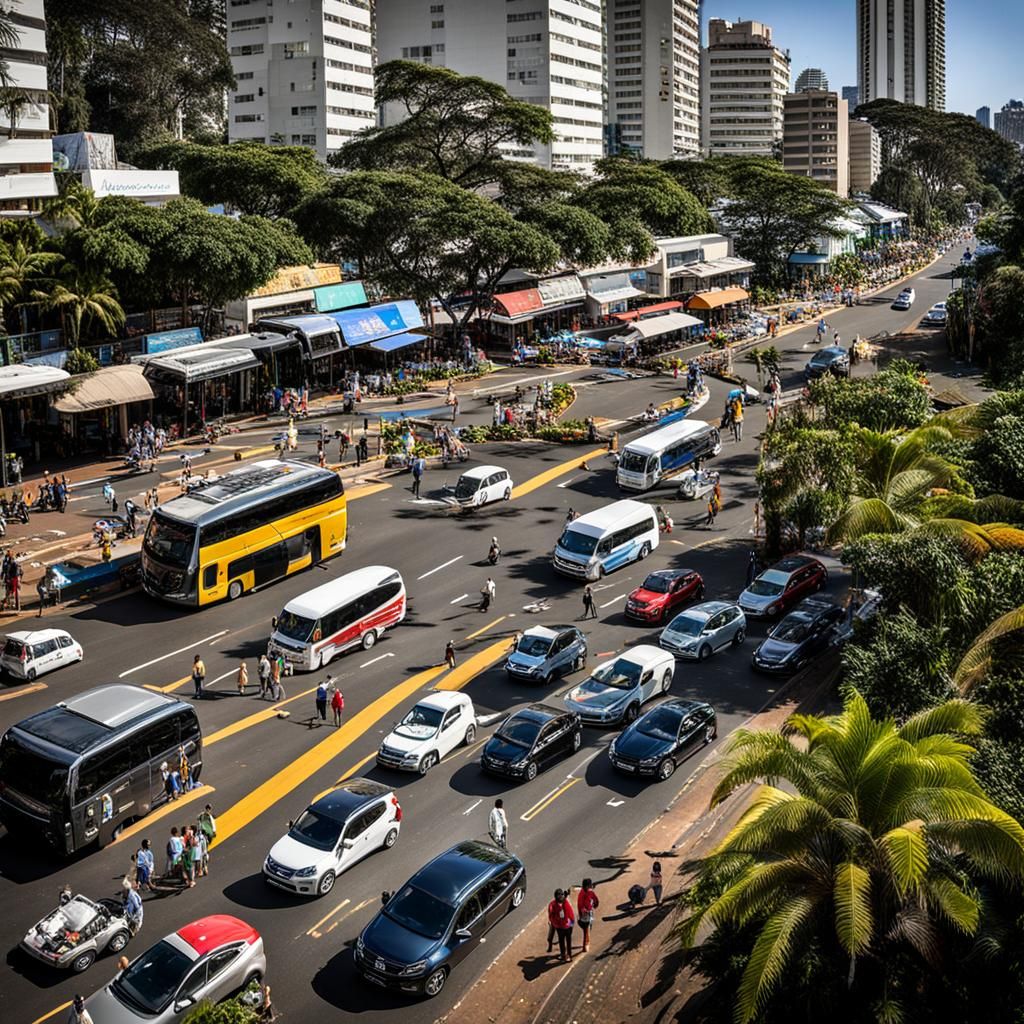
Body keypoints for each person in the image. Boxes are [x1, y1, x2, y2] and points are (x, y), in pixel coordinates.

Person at [548, 889, 575, 962]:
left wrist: (571, 924)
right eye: (560, 896)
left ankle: (568, 955)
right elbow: (551, 916)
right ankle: (565, 955)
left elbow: (571, 915)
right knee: (562, 941)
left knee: (566, 941)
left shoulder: (564, 903)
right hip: (561, 927)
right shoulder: (554, 905)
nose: (561, 897)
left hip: (566, 927)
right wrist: (556, 924)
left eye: (562, 895)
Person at [577, 878, 600, 953]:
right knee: (586, 929)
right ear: (587, 886)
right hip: (584, 915)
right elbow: (580, 905)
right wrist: (583, 912)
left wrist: (595, 904)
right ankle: (585, 946)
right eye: (590, 885)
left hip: (589, 913)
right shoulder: (582, 894)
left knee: (588, 928)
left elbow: (595, 899)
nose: (591, 886)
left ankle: (586, 942)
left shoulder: (589, 892)